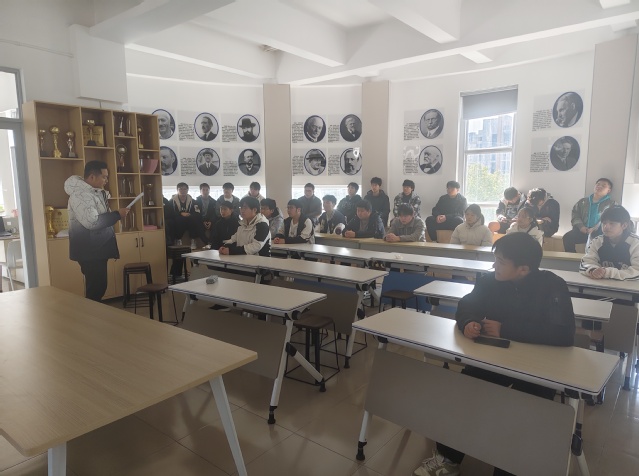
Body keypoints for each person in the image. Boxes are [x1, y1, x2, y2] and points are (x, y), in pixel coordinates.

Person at [415, 233, 575, 476]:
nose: (494, 266)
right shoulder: (491, 281)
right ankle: (448, 459)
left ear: (523, 269)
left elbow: (563, 334)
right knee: (462, 394)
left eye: (501, 261)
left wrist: (506, 329)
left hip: (538, 368)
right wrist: (468, 322)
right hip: (494, 359)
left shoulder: (552, 286)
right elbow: (467, 305)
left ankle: (508, 469)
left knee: (518, 415)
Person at [65, 161, 129, 302]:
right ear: (92, 177)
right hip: (90, 250)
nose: (106, 180)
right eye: (104, 177)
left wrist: (115, 215)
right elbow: (92, 222)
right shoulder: (81, 195)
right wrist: (117, 215)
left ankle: (92, 315)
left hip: (97, 249)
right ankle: (90, 316)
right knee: (96, 289)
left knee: (98, 287)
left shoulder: (94, 193)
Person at [580, 205, 639, 280]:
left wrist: (608, 272)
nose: (606, 227)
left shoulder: (636, 243)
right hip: (601, 284)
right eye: (604, 223)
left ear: (624, 225)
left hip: (629, 286)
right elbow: (586, 263)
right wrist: (593, 270)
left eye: (612, 223)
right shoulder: (596, 242)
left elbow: (637, 271)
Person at [563, 178, 616, 253]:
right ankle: (572, 258)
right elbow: (575, 214)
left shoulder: (611, 204)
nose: (599, 186)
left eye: (603, 186)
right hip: (582, 230)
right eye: (598, 184)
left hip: (600, 232)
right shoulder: (583, 202)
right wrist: (581, 226)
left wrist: (595, 228)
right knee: (567, 237)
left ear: (609, 190)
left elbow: (611, 220)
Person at [170, 183, 200, 249]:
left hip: (189, 219)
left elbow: (197, 212)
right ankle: (178, 239)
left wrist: (189, 214)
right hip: (178, 219)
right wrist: (181, 213)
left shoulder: (193, 201)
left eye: (185, 189)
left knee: (193, 219)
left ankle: (193, 240)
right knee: (179, 219)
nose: (183, 191)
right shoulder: (172, 201)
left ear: (187, 190)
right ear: (177, 190)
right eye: (180, 189)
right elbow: (170, 213)